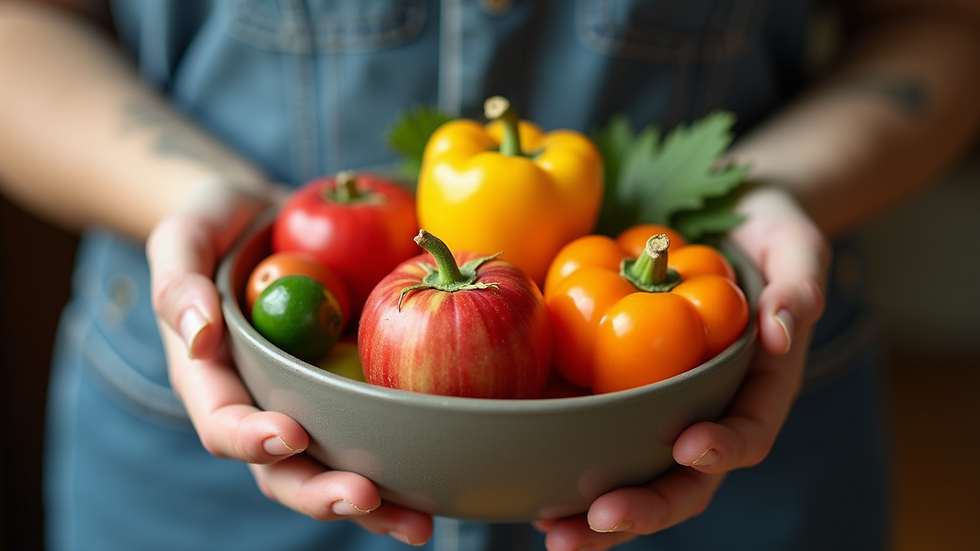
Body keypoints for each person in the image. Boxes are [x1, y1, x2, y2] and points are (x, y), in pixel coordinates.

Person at [1, 0, 979, 550]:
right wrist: (200, 202)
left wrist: (773, 190)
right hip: (198, 452)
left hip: (717, 419)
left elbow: (940, 23)